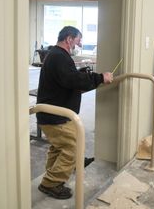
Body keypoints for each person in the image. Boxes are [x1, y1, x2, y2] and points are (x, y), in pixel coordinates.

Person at [36, 26, 113, 199]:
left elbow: (67, 78)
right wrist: (100, 78)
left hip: (54, 114)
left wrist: (83, 76)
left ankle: (64, 168)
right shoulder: (59, 57)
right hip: (55, 116)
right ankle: (51, 183)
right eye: (78, 40)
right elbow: (71, 79)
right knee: (71, 146)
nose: (79, 44)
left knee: (59, 146)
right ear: (69, 39)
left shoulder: (57, 55)